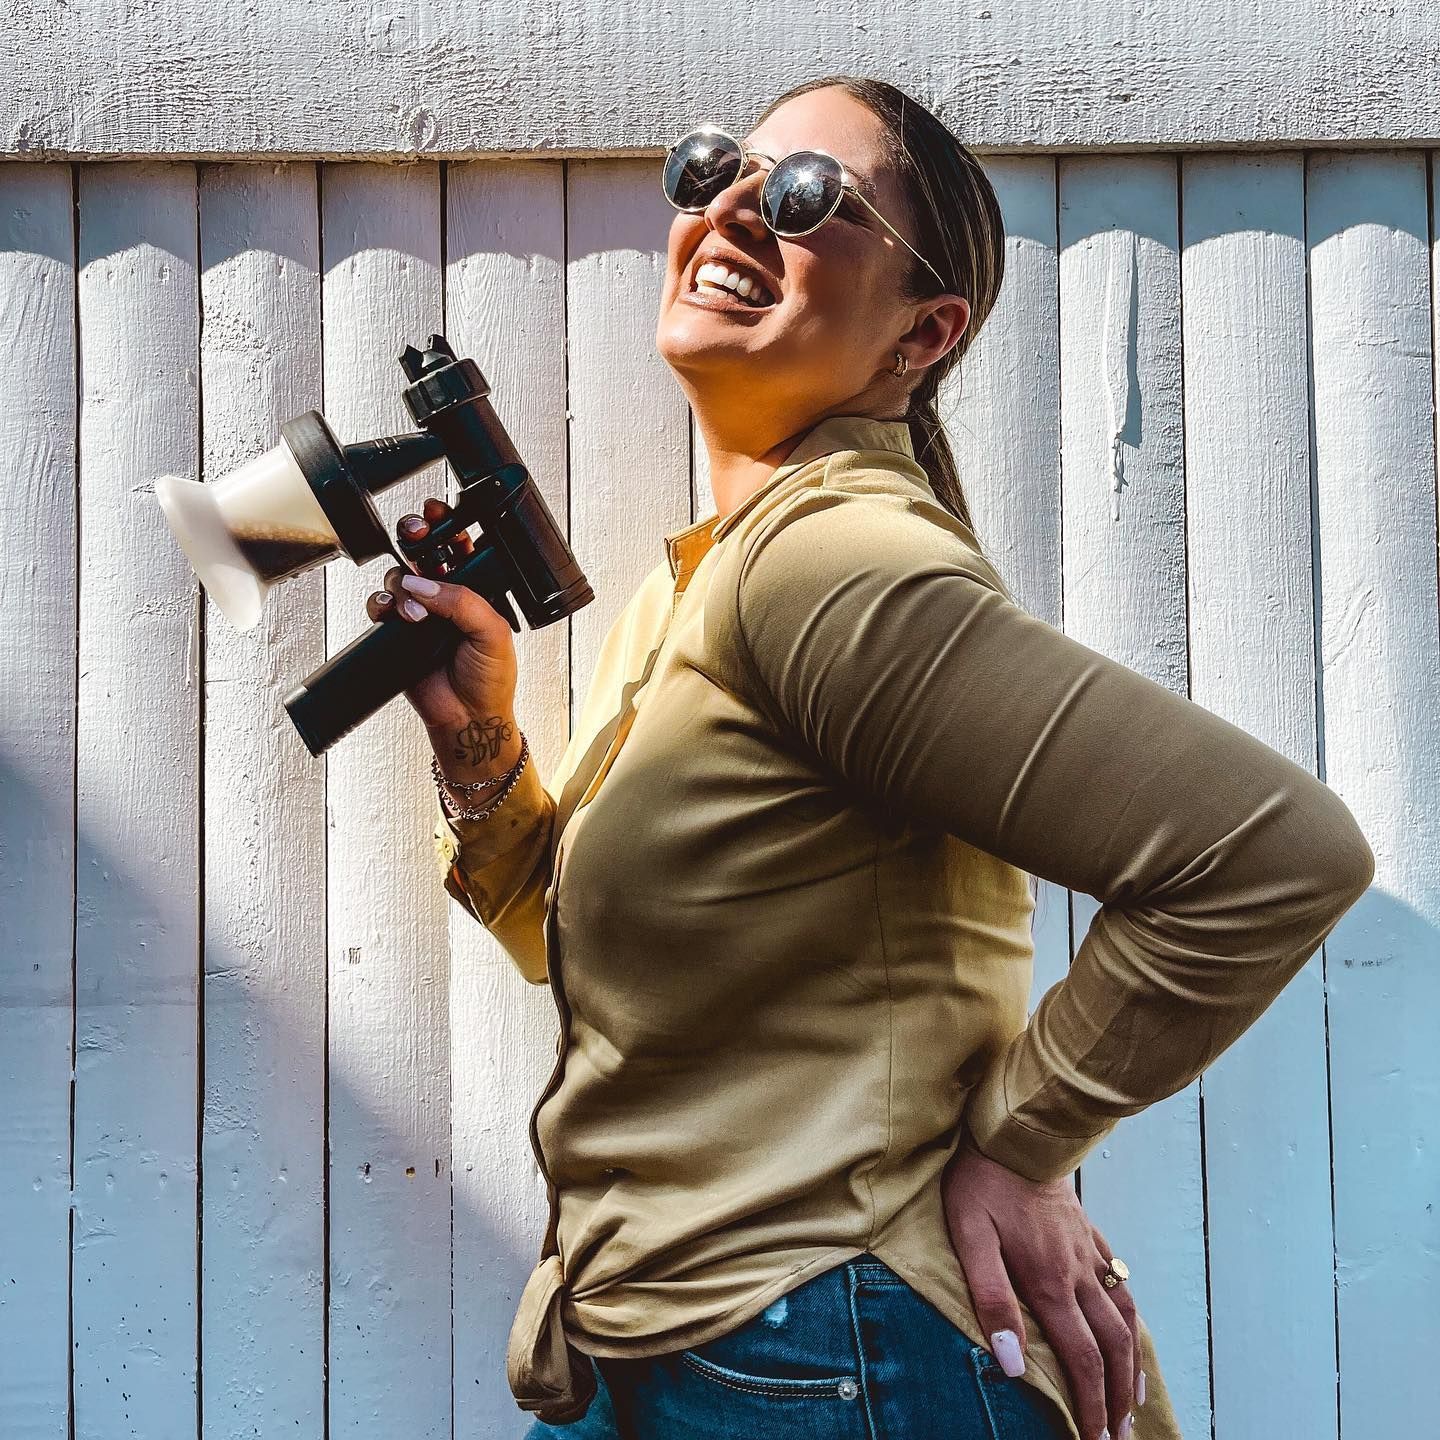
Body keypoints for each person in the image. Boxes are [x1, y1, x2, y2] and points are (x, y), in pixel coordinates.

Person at [365, 77, 1374, 1440]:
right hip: (673, 1340)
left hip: (826, 1354)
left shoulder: (827, 564)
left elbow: (1268, 857)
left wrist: (1024, 1146)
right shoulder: (707, 584)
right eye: (719, 170)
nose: (731, 207)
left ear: (926, 330)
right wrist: (479, 736)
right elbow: (584, 945)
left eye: (802, 200)